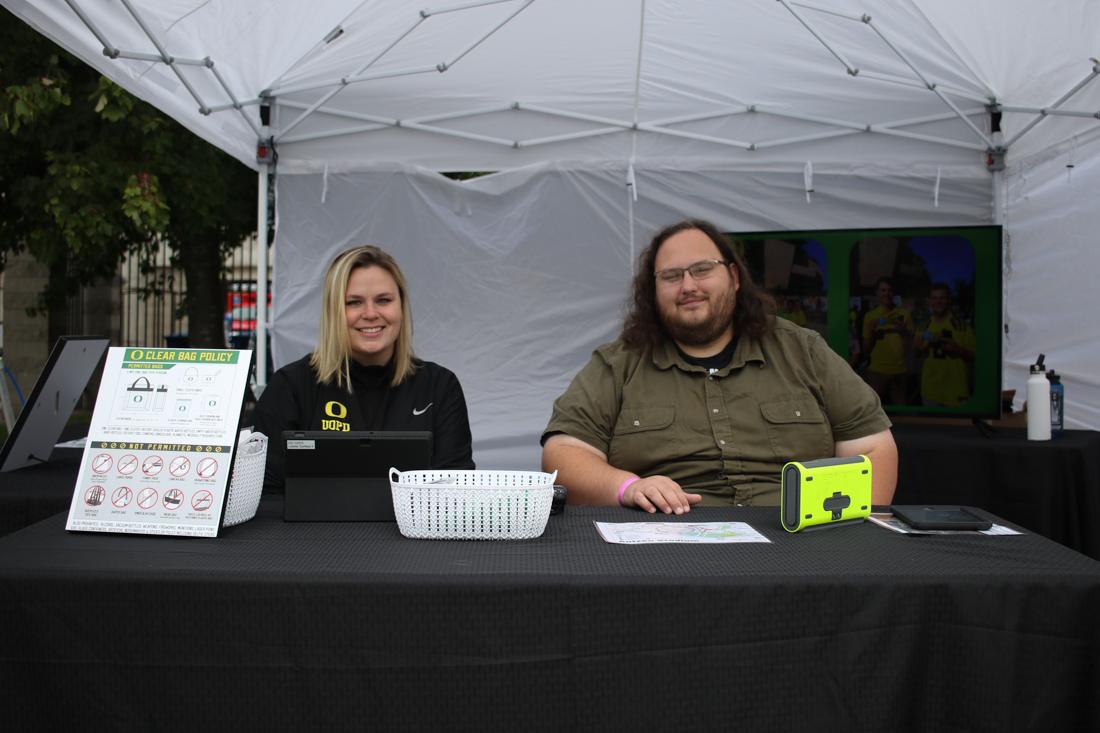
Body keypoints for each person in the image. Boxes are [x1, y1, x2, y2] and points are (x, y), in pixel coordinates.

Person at [541, 219, 896, 514]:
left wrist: (850, 536)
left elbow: (872, 448)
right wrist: (628, 487)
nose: (688, 286)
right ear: (652, 291)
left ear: (735, 278)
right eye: (671, 276)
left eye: (702, 270)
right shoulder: (617, 364)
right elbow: (563, 455)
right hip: (665, 548)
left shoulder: (803, 351)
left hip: (798, 543)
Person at [252, 245, 475, 493]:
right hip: (312, 532)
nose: (370, 314)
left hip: (413, 533)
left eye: (384, 300)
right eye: (354, 302)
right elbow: (265, 495)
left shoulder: (439, 387)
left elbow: (457, 492)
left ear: (401, 306)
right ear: (333, 311)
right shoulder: (291, 387)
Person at [913, 283, 975, 407]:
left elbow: (974, 356)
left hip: (956, 392)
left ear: (948, 300)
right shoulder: (923, 327)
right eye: (935, 298)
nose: (938, 302)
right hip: (930, 392)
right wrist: (917, 347)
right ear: (930, 301)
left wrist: (958, 350)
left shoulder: (961, 326)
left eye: (942, 298)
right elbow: (917, 353)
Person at [861, 277, 913, 404]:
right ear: (877, 293)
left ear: (893, 292)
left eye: (889, 290)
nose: (886, 293)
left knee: (901, 413)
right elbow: (866, 349)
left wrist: (904, 332)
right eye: (883, 290)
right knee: (874, 413)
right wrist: (872, 332)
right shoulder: (870, 316)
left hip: (899, 372)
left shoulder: (904, 314)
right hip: (876, 373)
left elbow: (913, 346)